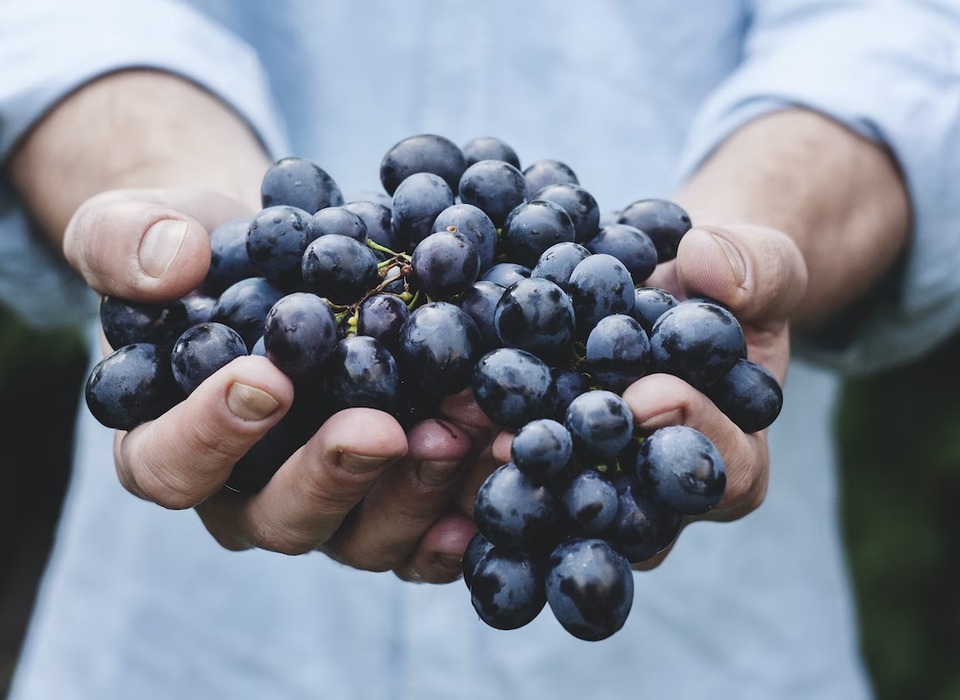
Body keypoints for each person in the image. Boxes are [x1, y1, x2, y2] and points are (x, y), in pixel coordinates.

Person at [2, 1, 958, 698]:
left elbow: (896, 40)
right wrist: (162, 199)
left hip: (712, 656)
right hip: (188, 651)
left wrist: (757, 235)